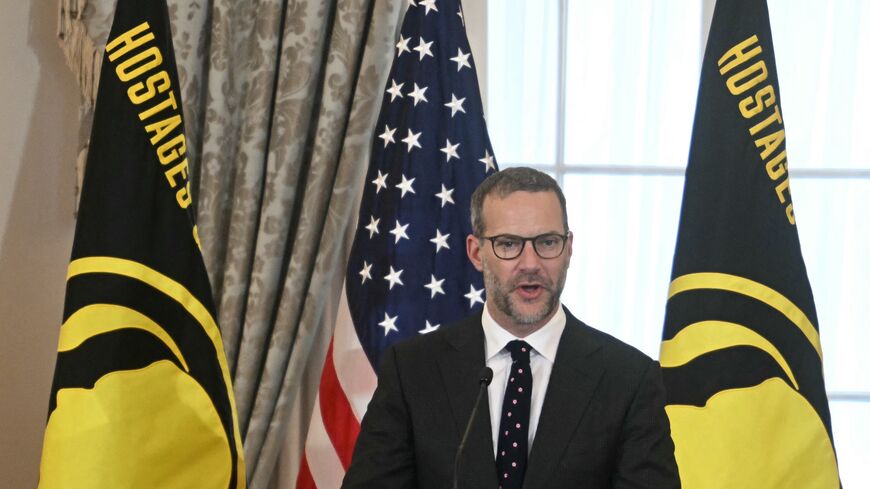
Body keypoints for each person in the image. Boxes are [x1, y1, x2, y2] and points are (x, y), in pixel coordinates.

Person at [341, 167, 680, 489]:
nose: (530, 264)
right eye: (508, 244)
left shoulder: (629, 379)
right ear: (476, 253)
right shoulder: (413, 369)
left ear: (569, 249)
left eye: (547, 242)